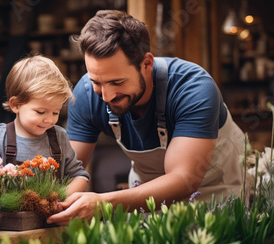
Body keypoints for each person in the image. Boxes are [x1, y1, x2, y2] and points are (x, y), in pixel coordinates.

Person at [46, 10, 245, 225]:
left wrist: (104, 203)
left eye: (117, 82)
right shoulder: (86, 95)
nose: (106, 96)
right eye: (97, 82)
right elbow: (70, 169)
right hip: (143, 200)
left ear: (146, 64)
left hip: (212, 193)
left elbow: (184, 181)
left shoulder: (193, 88)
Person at [0, 54, 90, 195]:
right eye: (40, 112)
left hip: (52, 215)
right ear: (15, 105)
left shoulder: (59, 137)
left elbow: (80, 176)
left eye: (55, 113)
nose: (49, 120)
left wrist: (60, 197)